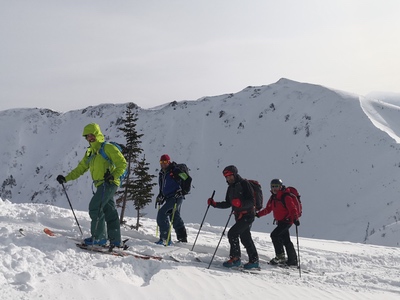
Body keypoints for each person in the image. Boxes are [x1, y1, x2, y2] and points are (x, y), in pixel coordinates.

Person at [56, 123, 127, 247]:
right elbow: (81, 168)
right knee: (109, 211)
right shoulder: (91, 152)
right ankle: (115, 240)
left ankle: (99, 238)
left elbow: (122, 163)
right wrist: (66, 178)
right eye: (87, 136)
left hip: (109, 183)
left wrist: (113, 175)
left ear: (97, 134)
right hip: (101, 185)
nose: (90, 138)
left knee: (95, 207)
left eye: (92, 135)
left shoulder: (108, 148)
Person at [207, 165, 259, 269]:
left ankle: (236, 259)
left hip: (248, 215)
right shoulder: (230, 187)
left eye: (230, 175)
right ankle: (254, 261)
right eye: (226, 176)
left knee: (232, 234)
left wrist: (240, 204)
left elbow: (251, 202)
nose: (228, 178)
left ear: (235, 174)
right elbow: (228, 203)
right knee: (245, 238)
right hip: (239, 216)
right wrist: (215, 204)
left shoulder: (244, 184)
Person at [256, 178, 300, 266]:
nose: (274, 188)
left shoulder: (285, 196)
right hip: (281, 221)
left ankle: (280, 257)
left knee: (275, 235)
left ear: (280, 186)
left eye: (276, 186)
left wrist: (295, 218)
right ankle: (292, 260)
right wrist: (258, 214)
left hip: (287, 221)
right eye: (272, 186)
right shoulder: (273, 197)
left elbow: (292, 208)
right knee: (286, 240)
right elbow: (268, 209)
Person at [155, 154, 188, 245]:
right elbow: (162, 187)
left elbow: (187, 179)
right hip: (169, 198)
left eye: (165, 162)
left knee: (162, 214)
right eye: (161, 162)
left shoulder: (175, 170)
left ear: (169, 162)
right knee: (175, 217)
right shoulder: (162, 173)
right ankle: (182, 239)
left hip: (176, 198)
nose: (163, 164)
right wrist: (161, 195)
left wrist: (183, 191)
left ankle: (165, 239)